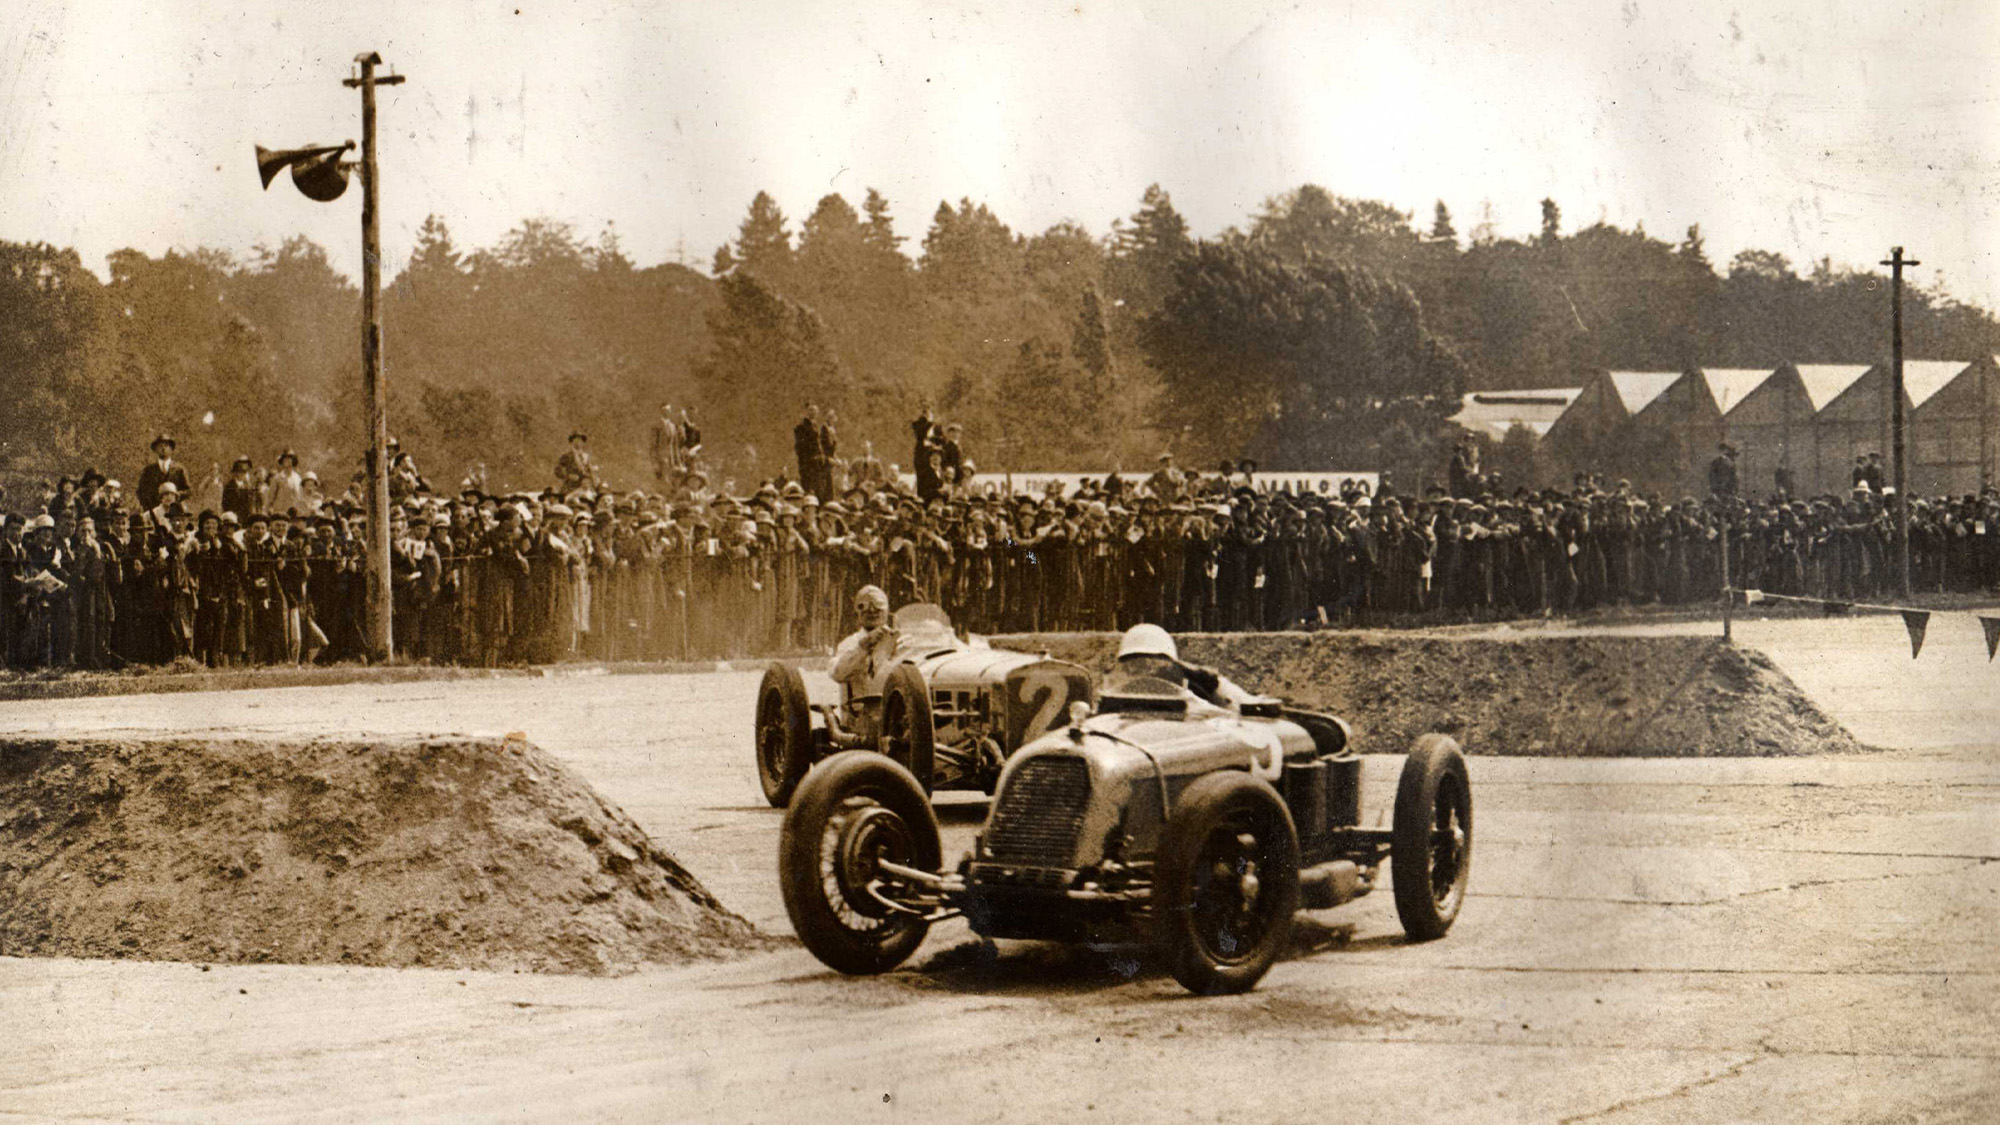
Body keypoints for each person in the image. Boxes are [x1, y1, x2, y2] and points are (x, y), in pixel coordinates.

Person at [1109, 622, 1253, 709]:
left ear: (1170, 664)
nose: (1145, 668)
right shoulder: (1117, 696)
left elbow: (1240, 704)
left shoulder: (1197, 688)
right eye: (1134, 662)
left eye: (1154, 661)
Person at [829, 584, 900, 740]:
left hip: (897, 717)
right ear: (858, 614)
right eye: (865, 608)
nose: (872, 612)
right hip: (861, 721)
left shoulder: (900, 640)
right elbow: (836, 673)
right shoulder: (850, 644)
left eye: (878, 608)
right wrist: (863, 647)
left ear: (886, 611)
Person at [136, 434, 191, 512]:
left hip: (175, 511)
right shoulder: (148, 470)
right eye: (160, 446)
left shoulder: (179, 469)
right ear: (155, 450)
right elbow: (141, 491)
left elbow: (188, 491)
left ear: (171, 449)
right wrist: (148, 506)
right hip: (154, 510)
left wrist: (175, 495)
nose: (163, 448)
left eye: (166, 445)